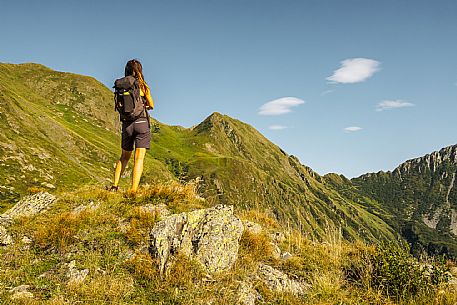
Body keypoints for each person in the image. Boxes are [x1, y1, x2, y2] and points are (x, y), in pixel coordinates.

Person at [110, 59, 154, 193]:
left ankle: (114, 186)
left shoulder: (121, 85)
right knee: (139, 158)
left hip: (127, 125)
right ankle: (133, 190)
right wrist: (143, 104)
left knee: (124, 157)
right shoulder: (142, 86)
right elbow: (151, 105)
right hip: (141, 123)